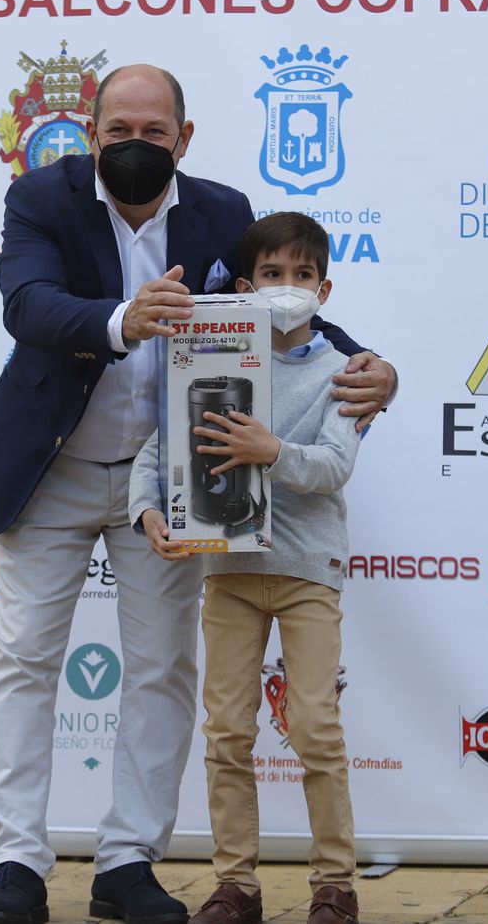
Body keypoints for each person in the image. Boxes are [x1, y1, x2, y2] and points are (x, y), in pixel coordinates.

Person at [0, 64, 396, 924]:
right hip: (52, 467)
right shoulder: (39, 200)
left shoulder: (222, 212)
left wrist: (371, 363)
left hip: (170, 478)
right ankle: (15, 864)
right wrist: (125, 317)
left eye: (153, 132)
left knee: (161, 668)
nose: (134, 144)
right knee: (23, 661)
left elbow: (282, 303)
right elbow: (29, 304)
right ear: (92, 132)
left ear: (183, 139)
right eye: (118, 129)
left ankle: (127, 862)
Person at [131, 211, 363, 924]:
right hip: (227, 572)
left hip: (306, 574)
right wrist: (150, 512)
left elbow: (333, 468)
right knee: (227, 729)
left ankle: (335, 886)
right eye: (272, 274)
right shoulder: (214, 356)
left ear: (325, 288)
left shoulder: (344, 373)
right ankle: (236, 884)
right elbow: (157, 448)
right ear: (244, 284)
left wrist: (272, 451)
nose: (287, 287)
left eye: (301, 275)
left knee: (316, 726)